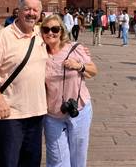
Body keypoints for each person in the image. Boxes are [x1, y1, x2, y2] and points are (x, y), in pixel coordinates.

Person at [0, 0, 47, 167]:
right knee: (8, 163)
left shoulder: (41, 35)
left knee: (32, 163)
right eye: (27, 9)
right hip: (11, 114)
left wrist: (79, 56)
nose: (31, 13)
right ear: (18, 11)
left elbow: (60, 44)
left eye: (35, 10)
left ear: (40, 14)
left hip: (37, 113)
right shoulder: (4, 36)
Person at [40, 14, 97, 167]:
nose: (50, 33)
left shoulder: (75, 48)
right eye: (46, 29)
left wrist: (79, 66)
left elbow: (93, 71)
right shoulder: (38, 53)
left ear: (61, 31)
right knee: (58, 160)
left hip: (79, 110)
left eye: (55, 29)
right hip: (52, 114)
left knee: (78, 158)